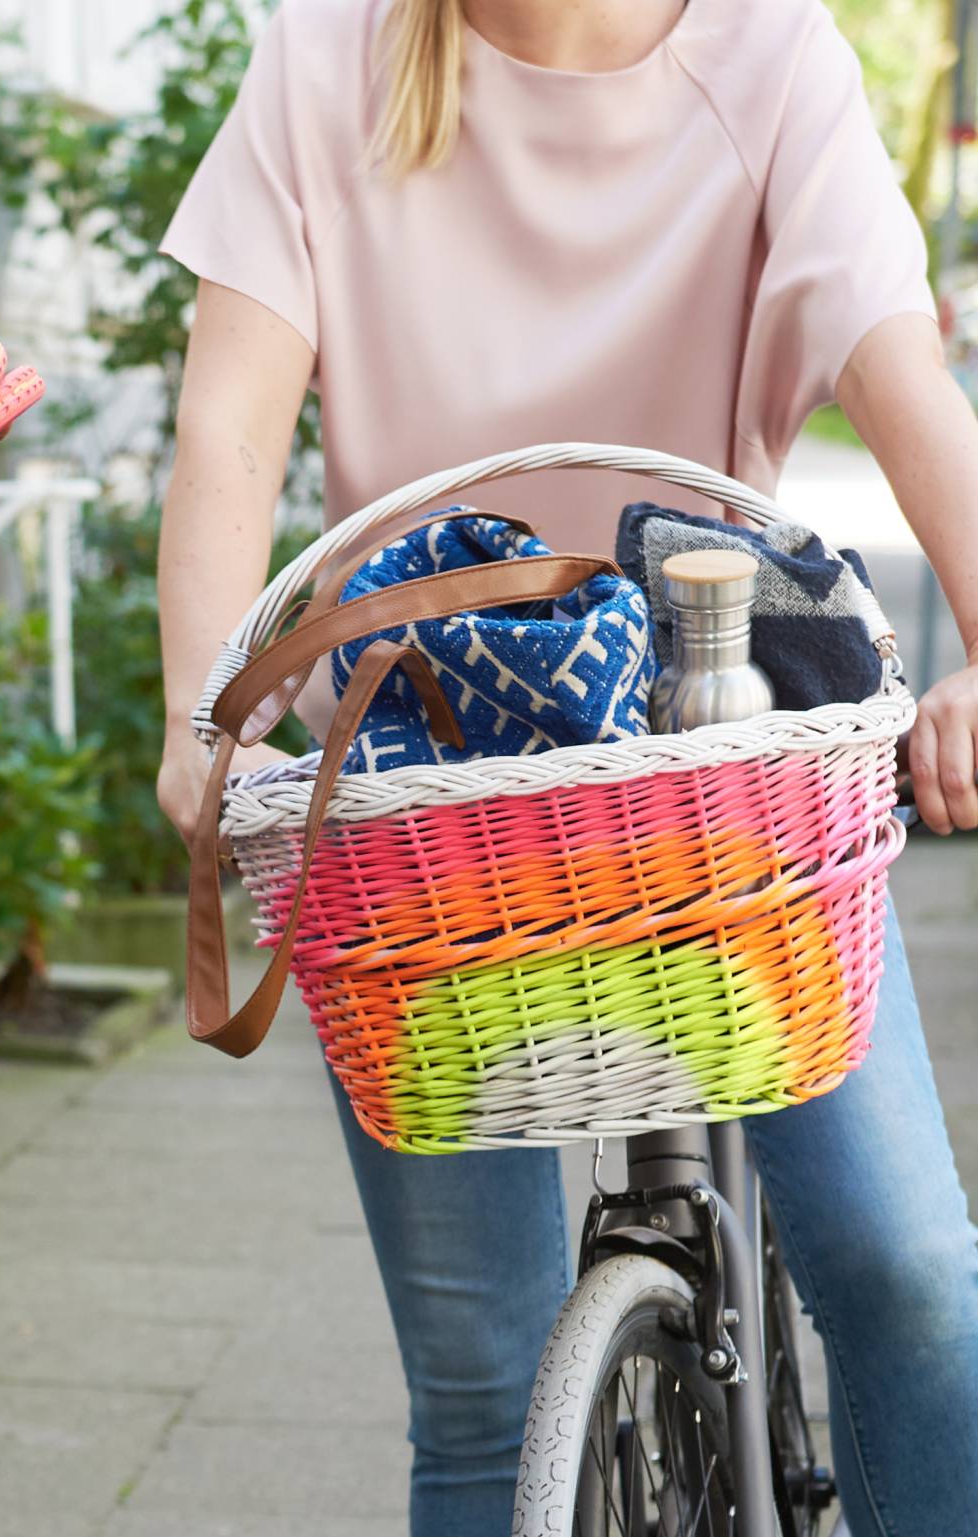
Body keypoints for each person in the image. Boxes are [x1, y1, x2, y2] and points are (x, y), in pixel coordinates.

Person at [155, 0, 978, 1531]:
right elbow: (229, 430)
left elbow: (906, 380)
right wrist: (204, 710)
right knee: (480, 1386)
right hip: (428, 786)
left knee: (911, 1272)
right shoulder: (327, 57)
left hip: (719, 776)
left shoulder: (771, 56)